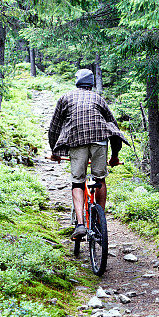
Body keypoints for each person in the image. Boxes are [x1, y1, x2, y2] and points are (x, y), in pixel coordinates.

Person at [48, 68, 127, 240]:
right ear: (91, 83)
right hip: (100, 139)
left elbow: (54, 127)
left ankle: (80, 225)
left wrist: (54, 151)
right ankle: (100, 219)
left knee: (77, 182)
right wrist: (114, 156)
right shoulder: (98, 98)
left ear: (77, 82)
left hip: (76, 140)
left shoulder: (65, 97)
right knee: (100, 179)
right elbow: (113, 127)